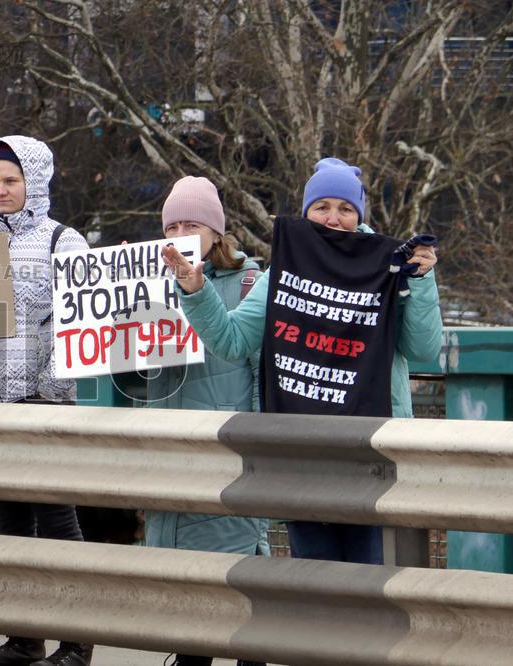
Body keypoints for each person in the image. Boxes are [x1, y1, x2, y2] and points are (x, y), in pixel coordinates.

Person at [163, 158, 442, 565]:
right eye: (322, 207)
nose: (334, 218)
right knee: (313, 581)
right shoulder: (283, 272)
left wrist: (421, 281)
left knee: (370, 583)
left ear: (359, 214)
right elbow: (232, 339)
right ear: (306, 212)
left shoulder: (392, 267)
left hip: (371, 451)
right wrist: (196, 289)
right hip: (303, 452)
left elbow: (423, 351)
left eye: (345, 209)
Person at [0, 136, 93, 666]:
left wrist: (45, 387)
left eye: (11, 180)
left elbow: (79, 325)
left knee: (59, 524)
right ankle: (24, 639)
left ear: (34, 181)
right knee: (12, 525)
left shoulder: (66, 242)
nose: (1, 190)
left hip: (43, 403)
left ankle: (77, 644)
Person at [143, 177, 267, 666]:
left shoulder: (250, 283)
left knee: (236, 602)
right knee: (187, 605)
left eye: (191, 224)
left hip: (226, 459)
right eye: (171, 225)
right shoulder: (150, 283)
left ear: (217, 232)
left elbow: (257, 374)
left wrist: (257, 457)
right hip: (170, 455)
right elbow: (133, 376)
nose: (179, 233)